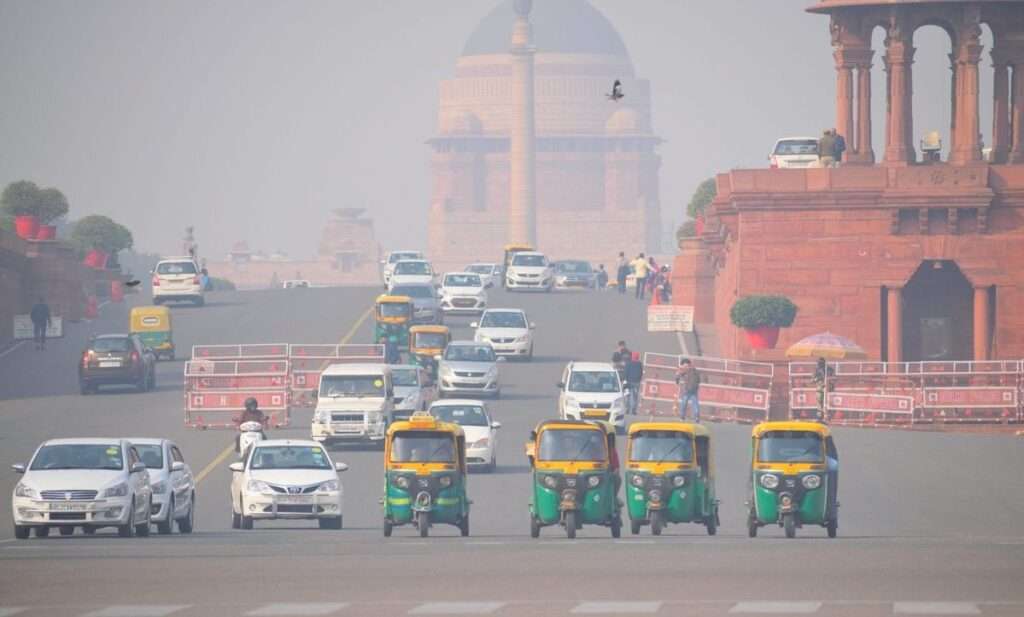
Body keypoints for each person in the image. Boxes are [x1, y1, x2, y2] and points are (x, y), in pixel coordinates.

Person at [675, 358, 701, 422]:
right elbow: (699, 380)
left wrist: (677, 381)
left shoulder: (685, 369)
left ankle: (682, 417)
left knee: (684, 402)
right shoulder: (694, 370)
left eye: (684, 365)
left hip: (688, 389)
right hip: (694, 388)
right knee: (695, 403)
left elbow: (678, 376)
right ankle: (696, 417)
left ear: (685, 364)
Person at [812, 357, 835, 421]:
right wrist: (817, 378)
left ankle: (827, 416)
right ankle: (820, 417)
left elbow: (834, 378)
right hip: (820, 389)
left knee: (828, 403)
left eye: (820, 362)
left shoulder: (830, 369)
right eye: (819, 362)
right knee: (820, 403)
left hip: (828, 389)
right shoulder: (817, 370)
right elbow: (812, 380)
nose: (819, 364)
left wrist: (829, 380)